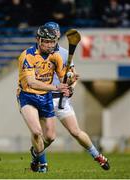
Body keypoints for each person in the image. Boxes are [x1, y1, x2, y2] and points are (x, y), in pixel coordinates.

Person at [30, 22, 110, 173]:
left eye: (55, 34)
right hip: (43, 98)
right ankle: (36, 156)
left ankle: (97, 155)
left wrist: (71, 89)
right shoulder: (35, 53)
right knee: (47, 137)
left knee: (75, 131)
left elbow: (73, 75)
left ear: (58, 35)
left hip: (61, 99)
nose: (52, 38)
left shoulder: (65, 53)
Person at [17, 25, 70, 172]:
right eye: (46, 41)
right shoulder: (27, 55)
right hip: (27, 96)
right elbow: (31, 82)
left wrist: (70, 82)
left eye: (52, 42)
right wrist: (56, 88)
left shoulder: (56, 57)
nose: (49, 45)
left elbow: (63, 78)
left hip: (45, 97)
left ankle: (35, 154)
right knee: (36, 132)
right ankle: (43, 165)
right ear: (38, 40)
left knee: (51, 137)